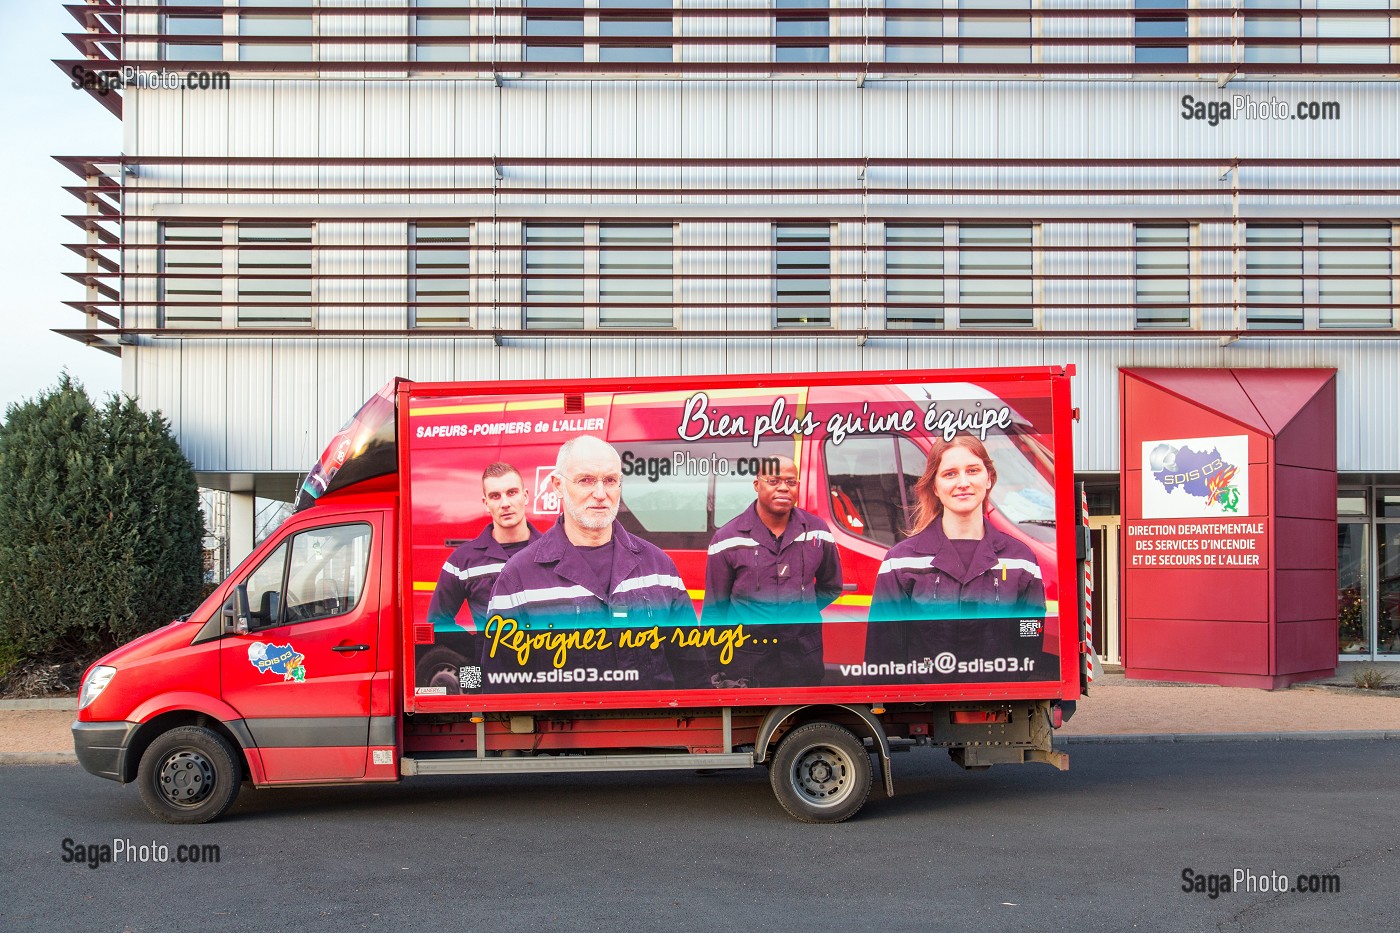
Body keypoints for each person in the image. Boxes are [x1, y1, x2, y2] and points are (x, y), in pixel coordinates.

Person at [482, 435, 698, 690]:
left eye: (610, 481)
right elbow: (499, 685)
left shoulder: (659, 568)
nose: (600, 494)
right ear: (557, 485)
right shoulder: (519, 577)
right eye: (586, 480)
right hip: (564, 730)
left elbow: (694, 670)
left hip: (653, 728)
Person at [866, 434, 1045, 665]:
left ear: (989, 478)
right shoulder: (899, 563)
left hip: (1000, 700)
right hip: (923, 701)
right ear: (935, 487)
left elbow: (1029, 646)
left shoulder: (1022, 562)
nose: (963, 483)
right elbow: (882, 656)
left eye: (973, 471)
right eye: (950, 474)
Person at [701, 456, 842, 687]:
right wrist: (712, 668)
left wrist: (798, 609)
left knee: (802, 720)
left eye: (791, 482)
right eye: (774, 480)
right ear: (757, 485)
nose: (784, 487)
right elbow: (715, 610)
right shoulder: (727, 539)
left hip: (802, 660)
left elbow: (831, 586)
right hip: (747, 663)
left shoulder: (818, 532)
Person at [426, 462, 542, 633]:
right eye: (495, 496)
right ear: (486, 503)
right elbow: (438, 622)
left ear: (525, 496)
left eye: (512, 493)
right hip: (492, 660)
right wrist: (476, 650)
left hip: (549, 659)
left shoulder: (554, 552)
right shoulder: (463, 560)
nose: (505, 503)